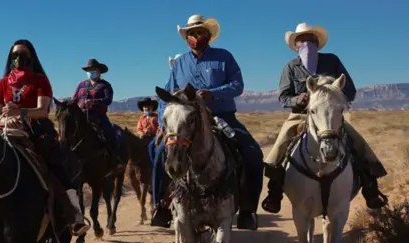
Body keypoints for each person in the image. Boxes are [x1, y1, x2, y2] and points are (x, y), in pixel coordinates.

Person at [150, 14, 264, 231]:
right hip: (185, 121)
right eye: (191, 33)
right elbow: (166, 97)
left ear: (208, 35)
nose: (195, 36)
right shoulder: (180, 63)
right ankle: (161, 205)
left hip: (221, 116)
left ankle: (248, 209)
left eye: (200, 32)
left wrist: (212, 93)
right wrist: (164, 124)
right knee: (156, 153)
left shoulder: (224, 57)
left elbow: (237, 85)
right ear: (186, 38)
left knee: (253, 153)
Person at [262, 23, 388, 213]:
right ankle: (274, 191)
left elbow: (350, 90)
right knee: (280, 145)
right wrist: (299, 98)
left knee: (358, 144)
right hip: (300, 115)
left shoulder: (332, 61)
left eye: (310, 40)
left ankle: (371, 190)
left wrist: (332, 96)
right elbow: (283, 97)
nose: (306, 43)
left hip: (329, 116)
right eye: (301, 40)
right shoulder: (290, 67)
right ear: (296, 45)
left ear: (317, 43)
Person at [0, 39, 90, 236]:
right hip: (6, 130)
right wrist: (5, 121)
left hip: (36, 130)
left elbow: (43, 111)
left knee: (53, 163)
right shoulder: (2, 83)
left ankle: (74, 213)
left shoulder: (39, 80)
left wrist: (18, 113)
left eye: (23, 55)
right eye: (15, 55)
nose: (18, 58)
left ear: (31, 57)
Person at [71, 59, 125, 169]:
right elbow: (74, 99)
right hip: (81, 116)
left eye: (93, 70)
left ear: (99, 71)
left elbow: (108, 100)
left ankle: (116, 160)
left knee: (109, 133)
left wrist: (95, 101)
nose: (91, 72)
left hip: (98, 116)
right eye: (89, 70)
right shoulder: (81, 85)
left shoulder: (105, 85)